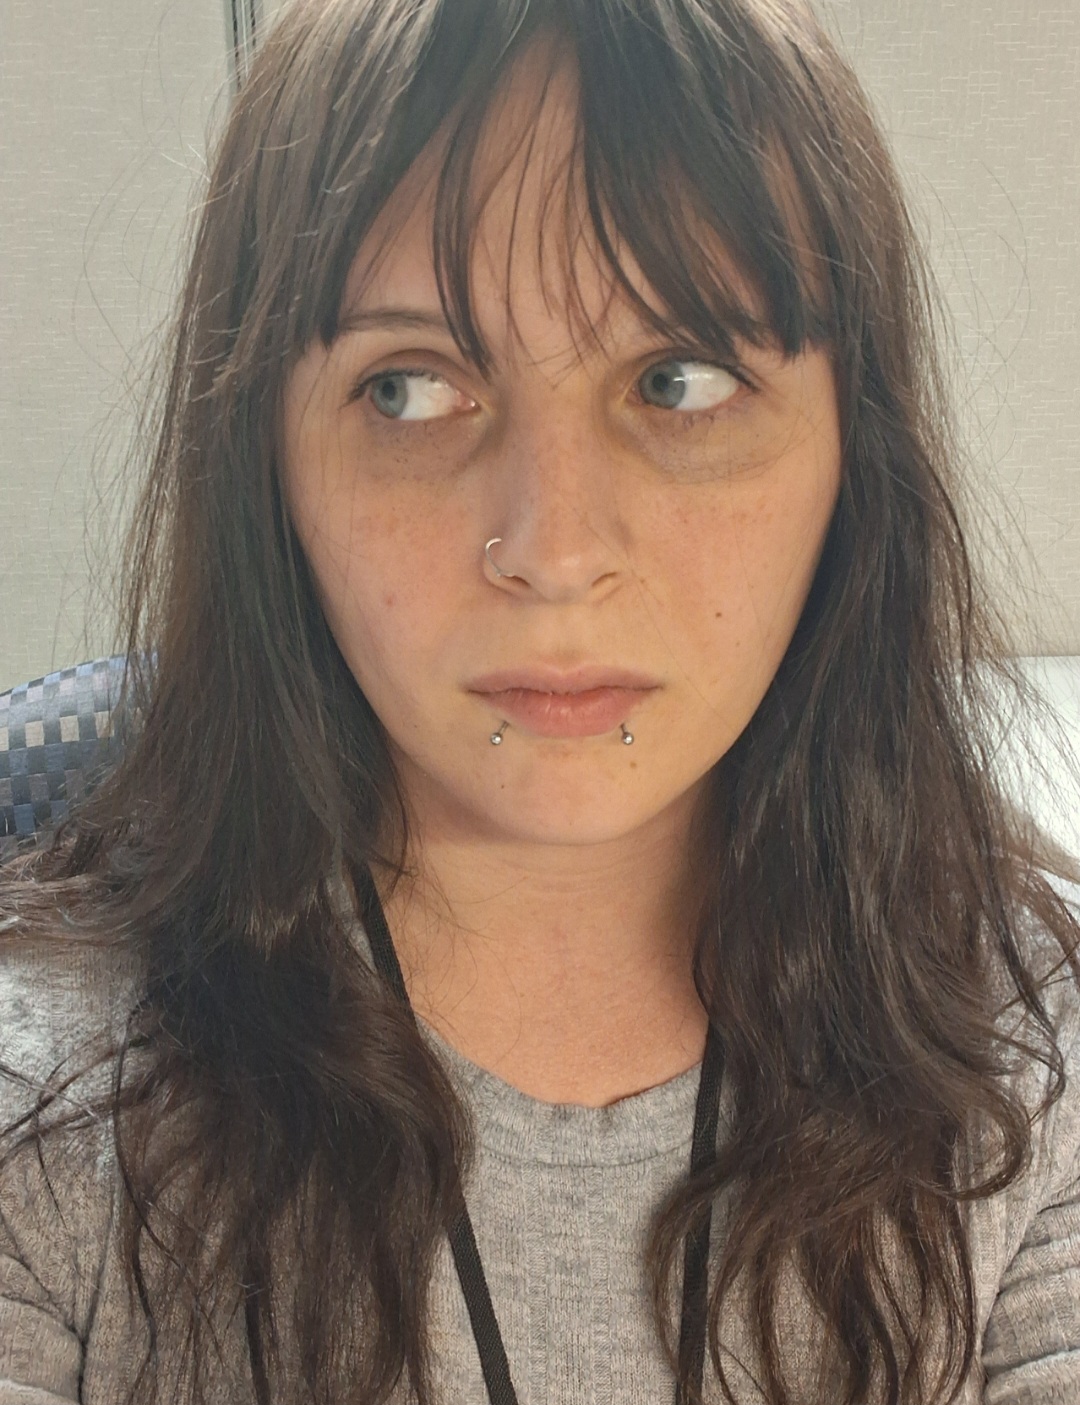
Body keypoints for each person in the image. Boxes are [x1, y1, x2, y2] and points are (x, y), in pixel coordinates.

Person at [1, 0, 1078, 1401]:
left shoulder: (1031, 1063)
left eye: (680, 379)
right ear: (266, 465)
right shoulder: (50, 1114)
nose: (556, 552)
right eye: (408, 388)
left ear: (849, 457)